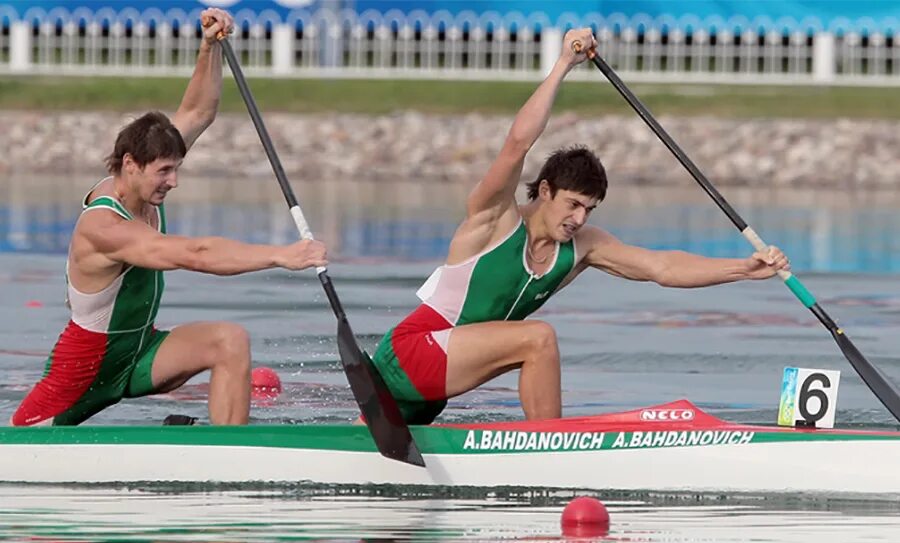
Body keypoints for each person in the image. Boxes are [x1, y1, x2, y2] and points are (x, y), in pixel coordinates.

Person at [370, 28, 789, 424]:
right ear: (546, 191)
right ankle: (552, 449)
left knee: (354, 447)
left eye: (589, 209)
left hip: (440, 378)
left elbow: (662, 268)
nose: (579, 219)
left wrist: (741, 269)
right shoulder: (493, 217)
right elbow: (517, 143)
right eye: (573, 204)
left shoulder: (582, 247)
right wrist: (562, 66)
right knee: (537, 338)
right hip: (411, 351)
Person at [10, 9, 327, 427]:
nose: (173, 182)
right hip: (84, 370)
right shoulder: (103, 226)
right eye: (165, 171)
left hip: (140, 352)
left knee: (229, 341)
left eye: (176, 168)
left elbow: (197, 112)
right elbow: (194, 253)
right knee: (21, 439)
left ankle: (230, 455)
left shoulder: (146, 181)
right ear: (130, 164)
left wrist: (209, 45)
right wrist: (281, 255)